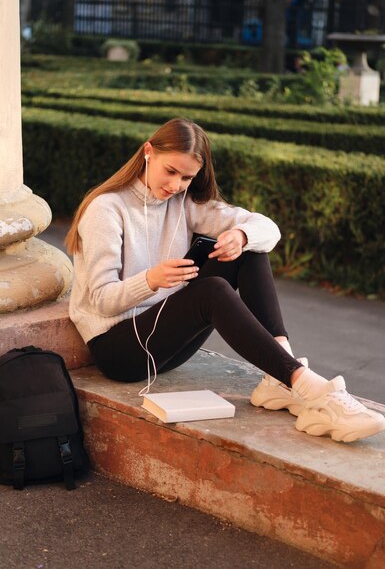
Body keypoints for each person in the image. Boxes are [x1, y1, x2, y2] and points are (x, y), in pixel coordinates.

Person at [66, 118, 385, 443]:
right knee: (211, 291)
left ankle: (281, 376)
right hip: (121, 350)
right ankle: (308, 386)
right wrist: (150, 280)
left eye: (187, 177)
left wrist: (241, 235)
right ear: (149, 152)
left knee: (248, 248)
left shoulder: (181, 203)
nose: (176, 185)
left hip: (166, 344)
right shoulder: (106, 210)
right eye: (170, 171)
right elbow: (101, 300)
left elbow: (267, 229)